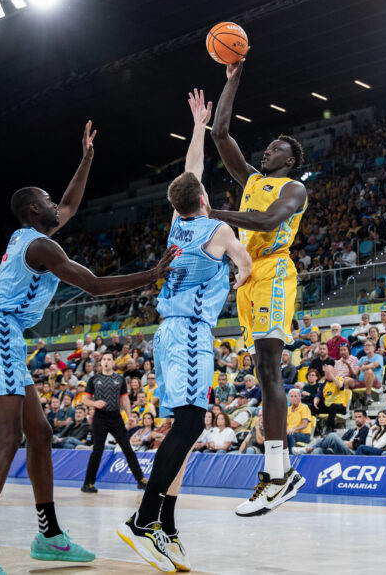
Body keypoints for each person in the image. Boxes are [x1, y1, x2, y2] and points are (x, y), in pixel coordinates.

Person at [0, 121, 176, 573]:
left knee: (41, 434)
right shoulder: (40, 247)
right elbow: (92, 285)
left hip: (5, 336)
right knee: (10, 434)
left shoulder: (33, 236)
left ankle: (49, 536)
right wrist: (150, 275)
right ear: (35, 209)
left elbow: (71, 202)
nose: (60, 205)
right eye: (49, 202)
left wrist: (88, 157)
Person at [119, 89, 253, 573]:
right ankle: (143, 519)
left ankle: (166, 526)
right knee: (193, 424)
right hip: (193, 332)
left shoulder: (177, 221)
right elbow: (247, 262)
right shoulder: (217, 228)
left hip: (166, 333)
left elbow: (191, 171)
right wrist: (240, 276)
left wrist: (198, 125)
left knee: (185, 429)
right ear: (204, 198)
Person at [208, 59, 310, 517]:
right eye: (265, 149)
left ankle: (276, 474)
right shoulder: (251, 180)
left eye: (273, 150)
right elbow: (220, 134)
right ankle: (279, 470)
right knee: (260, 372)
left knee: (270, 369)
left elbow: (269, 221)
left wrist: (215, 216)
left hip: (274, 273)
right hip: (247, 278)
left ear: (288, 160)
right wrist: (233, 80)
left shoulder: (293, 189)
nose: (265, 154)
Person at [81, 351, 146, 493]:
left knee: (127, 449)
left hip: (116, 417)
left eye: (109, 359)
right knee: (97, 451)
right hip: (100, 418)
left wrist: (129, 416)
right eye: (104, 359)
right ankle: (88, 484)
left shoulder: (120, 379)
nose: (106, 361)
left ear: (113, 362)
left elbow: (125, 399)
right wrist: (95, 403)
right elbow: (84, 400)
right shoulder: (94, 379)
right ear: (101, 362)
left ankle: (140, 480)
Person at [303, 409, 369, 455]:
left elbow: (357, 446)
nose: (357, 419)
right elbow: (341, 441)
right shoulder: (351, 431)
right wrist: (345, 443)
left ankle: (310, 448)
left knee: (333, 436)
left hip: (352, 454)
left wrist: (346, 443)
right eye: (356, 417)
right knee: (318, 451)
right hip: (341, 451)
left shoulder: (366, 430)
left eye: (359, 417)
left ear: (365, 418)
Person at [285, 388, 314, 453]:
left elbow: (304, 424)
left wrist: (293, 429)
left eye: (295, 396)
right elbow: (285, 425)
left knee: (290, 434)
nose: (293, 398)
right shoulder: (288, 409)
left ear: (299, 398)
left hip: (304, 435)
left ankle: (291, 456)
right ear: (289, 398)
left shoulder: (304, 407)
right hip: (290, 433)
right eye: (291, 396)